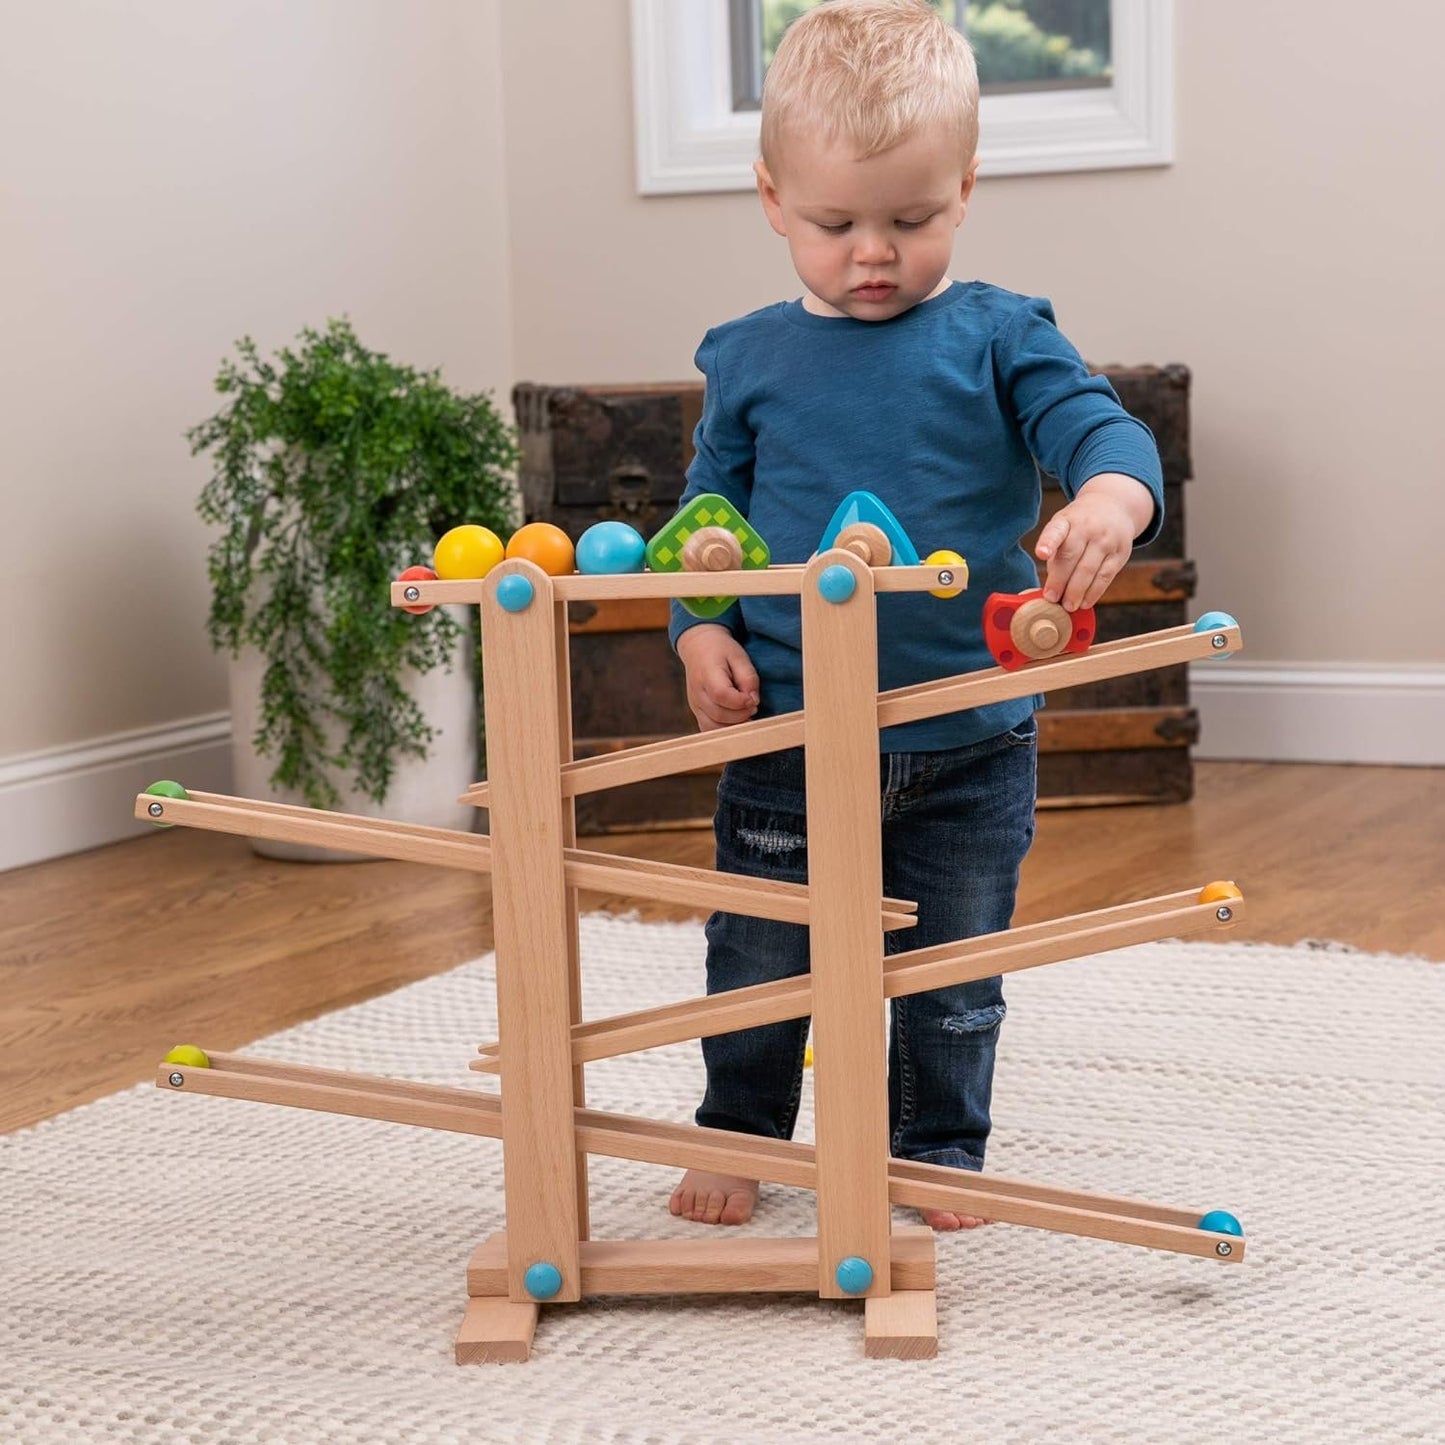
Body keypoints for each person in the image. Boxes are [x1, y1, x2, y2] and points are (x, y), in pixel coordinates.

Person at [666, 0, 1163, 1231]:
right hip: (787, 734)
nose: (872, 251)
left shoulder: (999, 335)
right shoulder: (747, 358)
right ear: (773, 198)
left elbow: (1101, 429)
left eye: (911, 218)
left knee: (949, 974)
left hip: (967, 736)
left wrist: (1109, 491)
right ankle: (739, 1131)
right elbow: (704, 516)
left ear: (965, 191)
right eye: (835, 223)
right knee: (761, 954)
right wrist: (696, 625)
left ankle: (936, 1145)